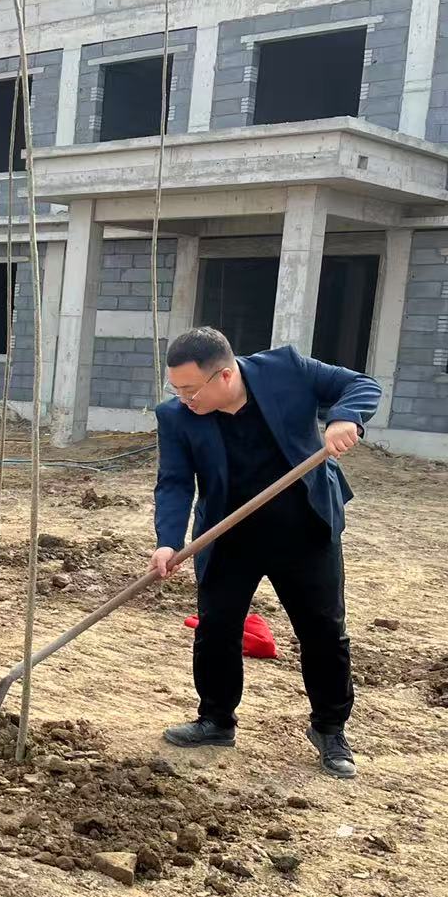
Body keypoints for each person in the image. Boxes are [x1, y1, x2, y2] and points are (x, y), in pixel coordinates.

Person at [151, 326, 381, 779]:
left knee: (323, 630)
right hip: (227, 534)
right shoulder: (176, 416)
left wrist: (345, 418)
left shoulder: (287, 371)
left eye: (190, 389)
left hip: (304, 529)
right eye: (176, 389)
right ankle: (216, 719)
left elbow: (362, 385)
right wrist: (168, 540)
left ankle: (330, 729)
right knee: (217, 628)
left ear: (225, 375)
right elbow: (174, 482)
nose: (183, 399)